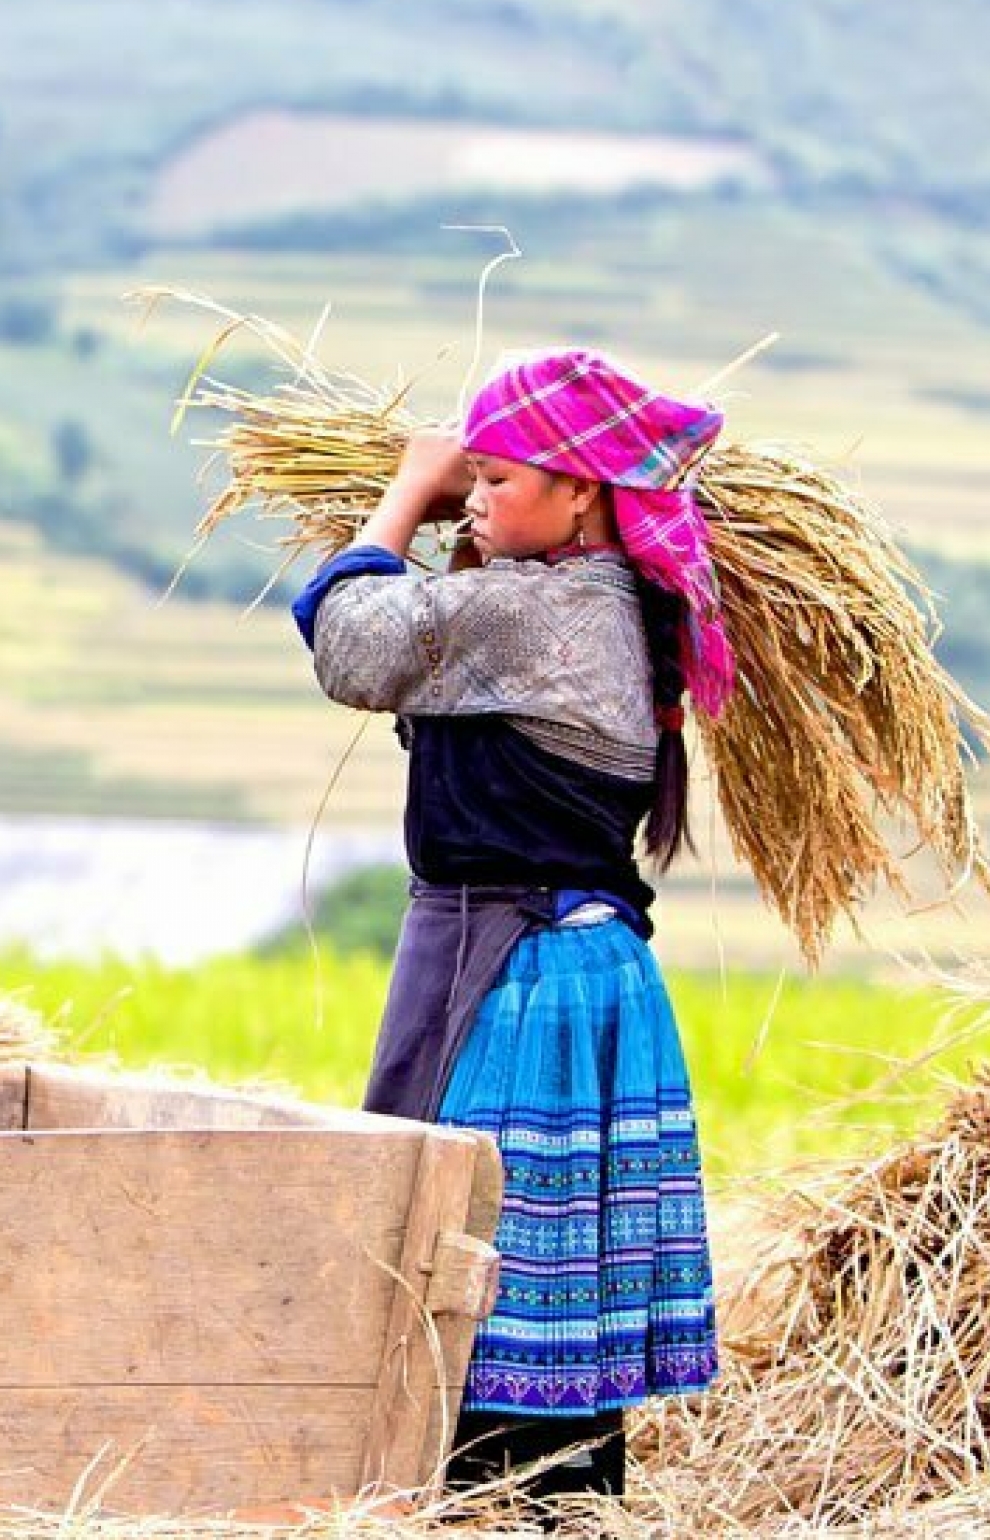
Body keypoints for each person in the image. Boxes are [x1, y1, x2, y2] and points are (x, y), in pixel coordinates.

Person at [288, 348, 725, 1512]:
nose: (473, 497)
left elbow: (355, 647)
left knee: (473, 1265)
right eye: (468, 478)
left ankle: (495, 1511)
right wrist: (468, 518)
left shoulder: (543, 614)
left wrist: (403, 493)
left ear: (580, 491)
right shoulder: (593, 603)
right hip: (574, 965)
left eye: (496, 477)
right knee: (546, 1279)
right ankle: (563, 1513)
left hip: (522, 977)